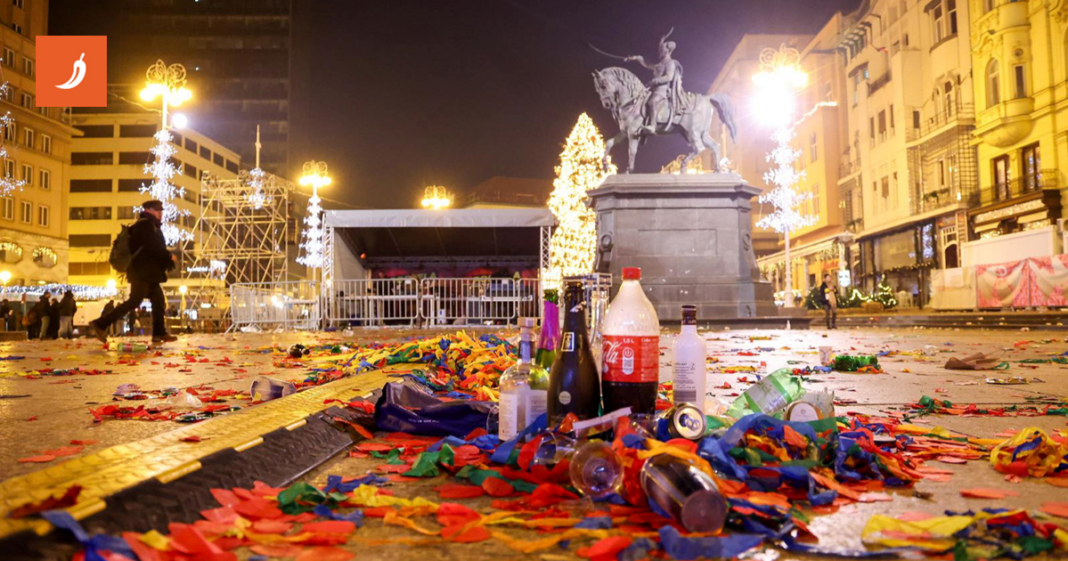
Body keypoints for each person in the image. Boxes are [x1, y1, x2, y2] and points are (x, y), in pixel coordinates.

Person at [88, 200, 178, 344]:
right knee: (134, 301)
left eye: (161, 210)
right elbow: (152, 247)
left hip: (148, 272)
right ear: (148, 210)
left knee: (158, 301)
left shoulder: (150, 225)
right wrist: (168, 256)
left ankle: (159, 333)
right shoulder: (145, 225)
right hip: (142, 272)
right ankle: (100, 323)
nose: (160, 213)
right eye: (157, 210)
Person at [625, 29, 683, 135]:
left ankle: (652, 125)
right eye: (660, 49)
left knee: (652, 102)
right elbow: (647, 64)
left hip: (662, 90)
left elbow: (669, 77)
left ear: (668, 51)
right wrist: (636, 58)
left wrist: (655, 80)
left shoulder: (670, 63)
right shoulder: (659, 64)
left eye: (662, 50)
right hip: (652, 89)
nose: (660, 51)